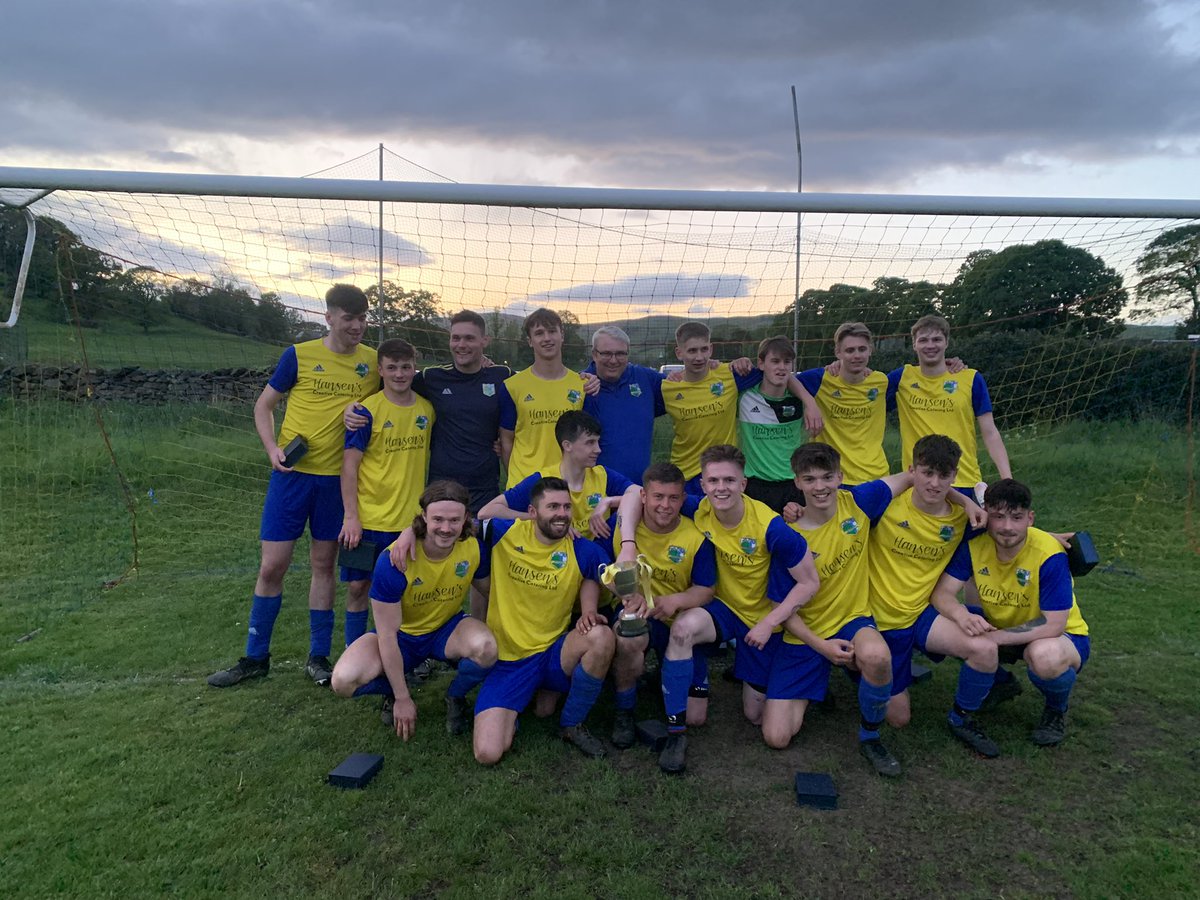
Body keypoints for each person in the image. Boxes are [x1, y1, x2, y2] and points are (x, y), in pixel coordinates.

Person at [208, 284, 377, 689]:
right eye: (349, 318)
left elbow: (408, 382)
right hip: (292, 477)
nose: (357, 326)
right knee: (272, 566)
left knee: (323, 565)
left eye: (362, 319)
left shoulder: (372, 362)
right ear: (329, 318)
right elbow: (263, 405)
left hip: (337, 483)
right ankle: (254, 657)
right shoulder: (298, 355)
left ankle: (318, 657)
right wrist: (272, 449)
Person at [619, 444, 820, 774]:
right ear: (703, 485)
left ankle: (800, 685)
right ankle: (676, 732)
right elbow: (634, 495)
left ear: (743, 484)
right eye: (713, 481)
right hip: (722, 609)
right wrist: (618, 522)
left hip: (759, 619)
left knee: (756, 716)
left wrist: (770, 622)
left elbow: (810, 583)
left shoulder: (771, 528)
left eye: (729, 480)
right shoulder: (699, 509)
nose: (721, 488)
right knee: (683, 628)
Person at [763, 442, 911, 777]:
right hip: (807, 635)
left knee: (879, 662)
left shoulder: (859, 502)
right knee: (776, 737)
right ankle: (822, 681)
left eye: (827, 477)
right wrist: (822, 647)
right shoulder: (788, 536)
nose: (820, 487)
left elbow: (914, 477)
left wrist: (964, 500)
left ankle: (870, 736)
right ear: (797, 482)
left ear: (840, 477)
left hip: (853, 620)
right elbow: (781, 609)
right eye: (810, 479)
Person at [865, 434, 1004, 758]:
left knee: (985, 649)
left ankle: (961, 718)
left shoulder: (965, 518)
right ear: (912, 470)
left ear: (955, 476)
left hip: (923, 614)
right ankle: (862, 668)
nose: (935, 482)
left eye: (944, 476)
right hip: (875, 618)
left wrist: (1050, 537)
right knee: (898, 718)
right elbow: (833, 507)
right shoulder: (884, 503)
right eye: (927, 473)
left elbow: (1009, 531)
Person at [929, 478, 1090, 747]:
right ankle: (1000, 682)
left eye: (1016, 517)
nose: (1006, 527)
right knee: (948, 625)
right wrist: (962, 616)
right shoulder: (975, 545)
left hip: (1060, 637)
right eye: (998, 516)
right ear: (986, 516)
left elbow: (1054, 625)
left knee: (1043, 657)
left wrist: (996, 638)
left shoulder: (1049, 553)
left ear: (1030, 518)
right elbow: (942, 594)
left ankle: (1055, 709)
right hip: (1001, 626)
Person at [330, 481, 497, 738]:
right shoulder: (394, 561)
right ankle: (392, 690)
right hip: (401, 637)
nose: (445, 528)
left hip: (446, 629)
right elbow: (386, 636)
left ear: (466, 519)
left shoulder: (474, 546)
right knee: (342, 681)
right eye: (438, 519)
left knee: (487, 649)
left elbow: (492, 593)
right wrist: (402, 698)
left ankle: (455, 695)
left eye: (454, 520)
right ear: (423, 518)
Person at [473, 477, 615, 764]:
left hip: (553, 653)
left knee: (602, 636)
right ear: (533, 511)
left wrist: (636, 593)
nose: (562, 513)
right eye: (552, 506)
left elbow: (611, 577)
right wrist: (408, 536)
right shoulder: (504, 531)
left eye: (566, 506)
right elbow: (457, 526)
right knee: (488, 753)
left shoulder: (580, 548)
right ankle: (521, 703)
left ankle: (572, 723)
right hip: (508, 660)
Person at [346, 311, 512, 516]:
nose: (461, 344)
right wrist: (352, 406)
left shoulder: (502, 376)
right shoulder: (432, 378)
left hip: (486, 487)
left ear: (484, 341)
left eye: (469, 338)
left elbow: (526, 405)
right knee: (441, 544)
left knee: (480, 547)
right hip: (441, 486)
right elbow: (390, 385)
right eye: (456, 338)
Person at [607, 462, 717, 760]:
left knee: (696, 717)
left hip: (679, 620)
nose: (665, 505)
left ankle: (663, 676)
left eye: (673, 498)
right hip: (641, 617)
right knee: (629, 635)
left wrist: (673, 601)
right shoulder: (624, 527)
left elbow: (706, 590)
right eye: (658, 497)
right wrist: (630, 595)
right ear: (644, 496)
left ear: (683, 499)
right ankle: (624, 710)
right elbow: (605, 574)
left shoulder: (695, 538)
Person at [338, 338, 435, 649]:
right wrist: (351, 517)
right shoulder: (365, 412)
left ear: (414, 368)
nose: (399, 374)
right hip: (368, 520)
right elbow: (349, 467)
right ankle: (355, 652)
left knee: (405, 590)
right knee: (357, 587)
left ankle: (406, 654)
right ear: (380, 370)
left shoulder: (426, 410)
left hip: (407, 522)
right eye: (391, 368)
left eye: (405, 367)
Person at [664, 322, 820, 498]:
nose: (699, 357)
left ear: (711, 349)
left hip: (725, 471)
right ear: (679, 353)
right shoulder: (667, 386)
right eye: (692, 351)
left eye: (704, 349)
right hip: (686, 472)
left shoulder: (729, 375)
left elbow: (777, 373)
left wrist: (809, 402)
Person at [478, 410, 639, 550]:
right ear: (567, 445)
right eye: (590, 443)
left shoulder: (603, 475)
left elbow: (643, 495)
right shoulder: (543, 480)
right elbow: (486, 512)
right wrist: (544, 519)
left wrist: (609, 502)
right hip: (555, 561)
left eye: (597, 442)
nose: (598, 449)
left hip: (594, 553)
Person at [888, 314, 1012, 496]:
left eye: (937, 339)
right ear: (914, 344)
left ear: (946, 342)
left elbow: (990, 431)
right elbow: (863, 388)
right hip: (920, 481)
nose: (930, 345)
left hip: (964, 479)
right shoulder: (901, 378)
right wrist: (838, 366)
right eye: (923, 340)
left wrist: (1007, 480)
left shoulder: (970, 378)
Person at [497, 308, 589, 488]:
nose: (547, 338)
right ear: (530, 341)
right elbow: (507, 441)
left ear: (562, 335)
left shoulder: (581, 385)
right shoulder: (512, 386)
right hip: (525, 481)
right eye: (539, 333)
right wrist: (517, 480)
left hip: (567, 482)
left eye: (552, 331)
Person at [796, 322, 891, 485]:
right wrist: (810, 403)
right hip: (832, 477)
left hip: (876, 476)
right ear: (837, 352)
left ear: (870, 350)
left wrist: (950, 362)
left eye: (862, 349)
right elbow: (785, 378)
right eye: (849, 350)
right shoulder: (820, 380)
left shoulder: (881, 381)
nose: (857, 355)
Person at [581, 325, 666, 484]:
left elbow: (689, 386)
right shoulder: (580, 387)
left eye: (620, 353)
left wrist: (710, 367)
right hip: (593, 494)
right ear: (594, 354)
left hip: (639, 490)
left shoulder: (646, 379)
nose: (613, 360)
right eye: (606, 353)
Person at [739, 335, 811, 511]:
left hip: (792, 485)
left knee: (793, 537)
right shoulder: (743, 396)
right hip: (755, 485)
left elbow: (835, 372)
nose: (781, 367)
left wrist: (811, 402)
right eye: (775, 361)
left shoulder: (800, 397)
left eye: (787, 362)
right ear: (761, 364)